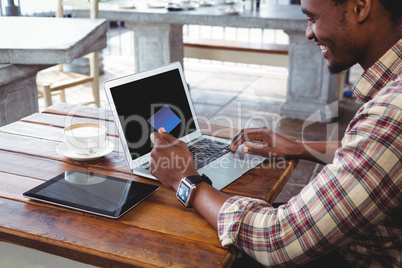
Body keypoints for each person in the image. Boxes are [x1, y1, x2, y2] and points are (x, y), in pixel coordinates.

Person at [149, 0, 402, 266]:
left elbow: (276, 239)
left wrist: (187, 183)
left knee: (195, 248)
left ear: (360, 7)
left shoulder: (392, 112)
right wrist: (297, 146)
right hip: (363, 238)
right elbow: (372, 151)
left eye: (312, 18)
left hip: (361, 257)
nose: (308, 32)